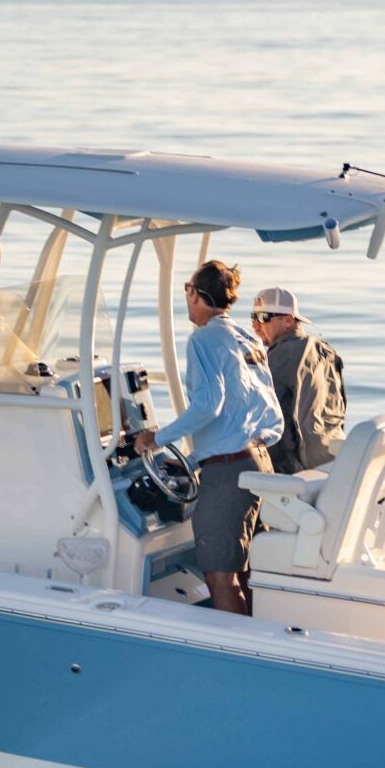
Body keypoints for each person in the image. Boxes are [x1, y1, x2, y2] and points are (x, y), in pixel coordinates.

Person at [129, 259, 284, 616]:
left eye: (187, 289)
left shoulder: (203, 338)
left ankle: (237, 646)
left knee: (219, 576)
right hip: (258, 462)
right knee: (245, 571)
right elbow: (259, 409)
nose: (186, 296)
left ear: (196, 294)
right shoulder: (246, 337)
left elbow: (209, 405)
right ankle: (255, 639)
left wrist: (156, 438)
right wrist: (192, 460)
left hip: (229, 471)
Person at [247, 286, 346, 475]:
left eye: (263, 317)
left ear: (288, 320)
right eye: (253, 317)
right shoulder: (324, 350)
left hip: (294, 469)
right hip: (330, 456)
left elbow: (255, 414)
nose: (255, 326)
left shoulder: (282, 356)